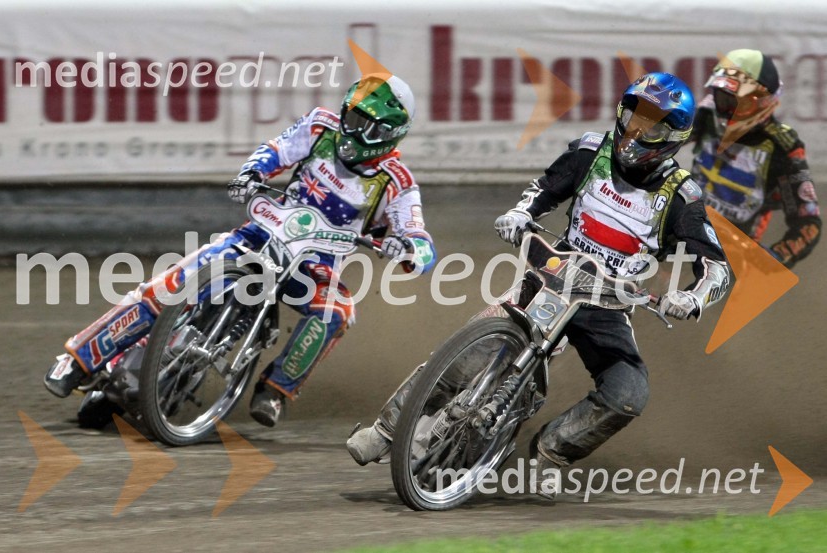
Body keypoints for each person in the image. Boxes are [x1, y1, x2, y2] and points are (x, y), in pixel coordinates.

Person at [347, 72, 730, 499]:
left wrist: (692, 298)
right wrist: (520, 214)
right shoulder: (591, 151)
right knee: (471, 346)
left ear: (673, 137)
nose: (637, 131)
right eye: (635, 116)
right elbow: (544, 190)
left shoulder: (682, 197)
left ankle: (552, 453)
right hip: (551, 274)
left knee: (629, 393)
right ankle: (387, 430)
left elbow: (717, 268)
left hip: (607, 303)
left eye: (653, 125)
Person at [44, 74, 437, 429]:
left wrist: (408, 248)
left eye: (368, 126)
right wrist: (252, 173)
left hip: (312, 267)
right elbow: (277, 150)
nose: (353, 131)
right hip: (260, 235)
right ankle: (77, 361)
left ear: (391, 134)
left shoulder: (397, 182)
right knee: (170, 285)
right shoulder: (321, 126)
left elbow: (420, 240)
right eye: (352, 117)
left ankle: (275, 391)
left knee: (338, 311)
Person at [691, 49, 820, 267]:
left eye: (735, 102)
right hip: (682, 224)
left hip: (729, 255)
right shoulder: (707, 112)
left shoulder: (783, 148)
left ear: (760, 101)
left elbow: (808, 222)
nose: (726, 109)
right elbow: (662, 140)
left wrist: (775, 257)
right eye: (722, 98)